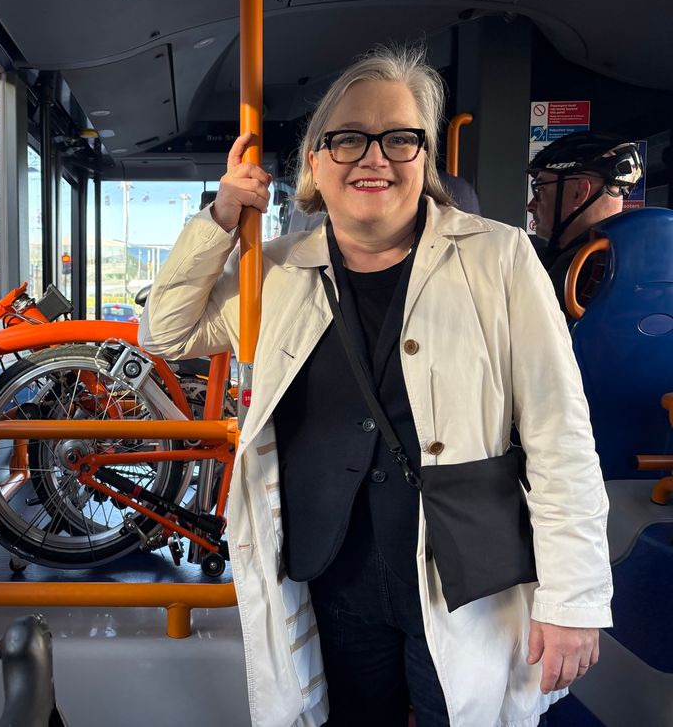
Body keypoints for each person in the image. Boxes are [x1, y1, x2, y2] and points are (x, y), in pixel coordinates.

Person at [139, 45, 611, 727]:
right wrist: (219, 219)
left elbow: (559, 436)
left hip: (466, 579)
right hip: (332, 574)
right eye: (349, 138)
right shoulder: (275, 272)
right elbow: (166, 332)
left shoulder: (499, 258)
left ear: (425, 158)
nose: (374, 157)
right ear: (315, 162)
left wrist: (573, 600)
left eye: (399, 138)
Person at [526, 132, 643, 314]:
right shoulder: (636, 260)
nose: (530, 205)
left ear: (579, 192)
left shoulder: (575, 273)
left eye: (540, 190)